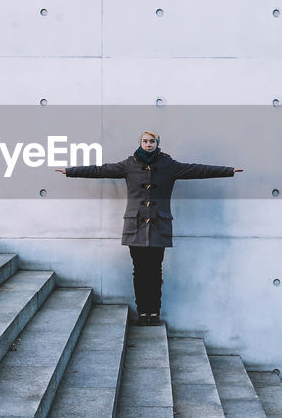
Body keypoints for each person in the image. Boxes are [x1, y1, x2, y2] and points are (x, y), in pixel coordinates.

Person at [56, 131, 242, 325]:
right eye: (145, 141)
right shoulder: (129, 165)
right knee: (139, 271)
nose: (148, 144)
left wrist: (228, 170)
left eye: (152, 141)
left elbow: (198, 170)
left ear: (157, 143)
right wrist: (70, 171)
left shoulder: (169, 165)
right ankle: (142, 312)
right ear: (140, 143)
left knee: (155, 271)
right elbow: (101, 170)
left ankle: (154, 313)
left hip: (158, 226)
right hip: (135, 226)